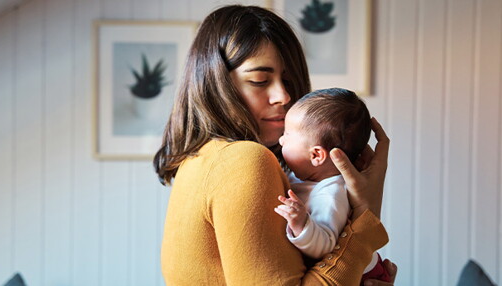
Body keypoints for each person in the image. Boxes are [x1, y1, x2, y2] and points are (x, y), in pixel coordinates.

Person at [154, 5, 397, 285]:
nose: (283, 95)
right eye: (260, 80)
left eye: (289, 80)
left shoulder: (200, 160)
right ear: (215, 84)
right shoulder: (243, 161)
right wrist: (366, 219)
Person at [274, 88, 391, 285]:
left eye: (287, 134)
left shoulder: (330, 194)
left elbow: (325, 245)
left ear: (316, 155)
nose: (281, 139)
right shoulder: (305, 177)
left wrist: (301, 223)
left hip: (362, 276)